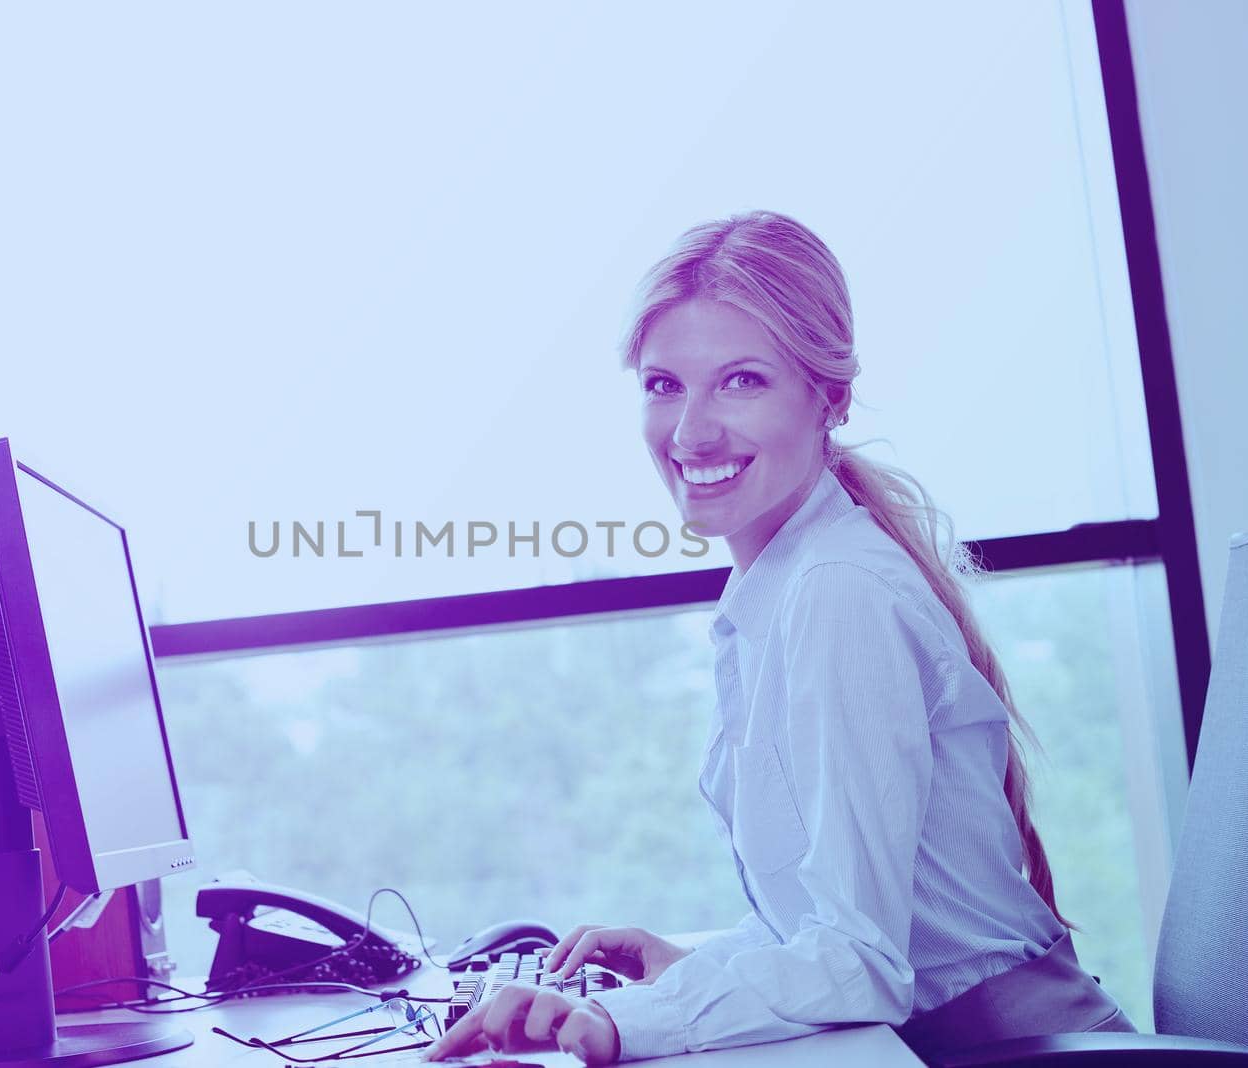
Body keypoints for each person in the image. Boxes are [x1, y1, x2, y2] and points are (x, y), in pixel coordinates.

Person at [424, 212, 1135, 1065]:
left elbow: (864, 964)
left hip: (1017, 1054)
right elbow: (845, 928)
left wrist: (625, 1024)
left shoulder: (838, 593)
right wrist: (694, 972)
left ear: (827, 396)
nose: (690, 433)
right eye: (663, 386)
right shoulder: (783, 584)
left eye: (741, 381)